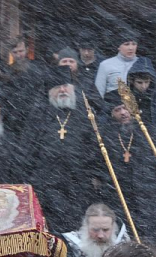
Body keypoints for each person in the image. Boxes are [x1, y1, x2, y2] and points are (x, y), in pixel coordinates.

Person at [25, 65, 101, 232]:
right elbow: (28, 150)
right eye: (57, 87)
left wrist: (94, 174)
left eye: (66, 86)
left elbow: (95, 148)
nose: (63, 90)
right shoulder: (39, 115)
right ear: (49, 92)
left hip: (77, 184)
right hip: (46, 185)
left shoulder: (85, 115)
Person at [97, 90, 156, 249]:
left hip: (148, 201)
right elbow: (100, 170)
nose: (123, 113)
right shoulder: (106, 136)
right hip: (120, 200)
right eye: (117, 110)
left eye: (125, 107)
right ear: (111, 114)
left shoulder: (147, 131)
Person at [94, 28, 154, 97]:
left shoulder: (143, 64)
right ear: (118, 47)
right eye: (126, 44)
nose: (131, 48)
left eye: (134, 44)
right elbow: (99, 93)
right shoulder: (106, 65)